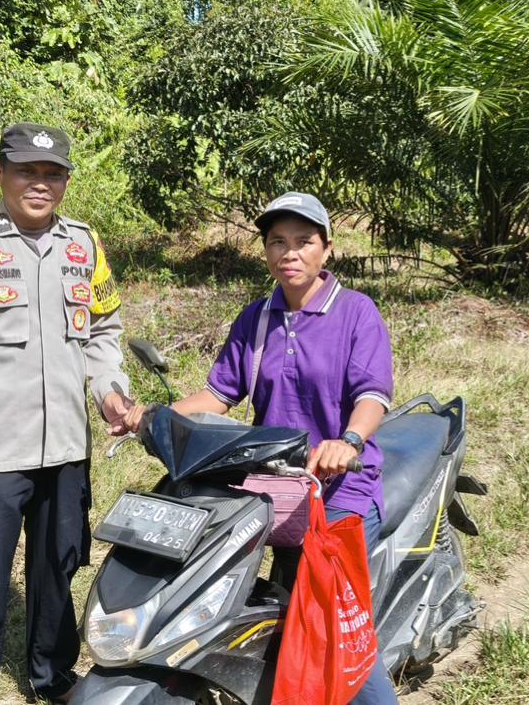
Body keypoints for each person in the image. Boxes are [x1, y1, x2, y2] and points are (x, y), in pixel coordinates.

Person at [121, 191, 398, 703]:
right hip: (273, 485)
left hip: (340, 489)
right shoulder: (257, 318)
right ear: (266, 251)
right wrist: (154, 417)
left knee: (333, 625)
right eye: (277, 242)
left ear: (326, 249)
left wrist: (348, 440)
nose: (289, 253)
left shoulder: (357, 313)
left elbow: (372, 395)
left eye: (303, 242)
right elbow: (220, 394)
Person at [0, 122, 135, 704]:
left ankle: (52, 678)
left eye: (52, 174)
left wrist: (111, 391)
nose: (40, 183)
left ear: (65, 181)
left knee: (59, 570)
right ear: (0, 175)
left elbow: (104, 330)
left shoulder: (83, 245)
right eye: (26, 172)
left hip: (66, 445)